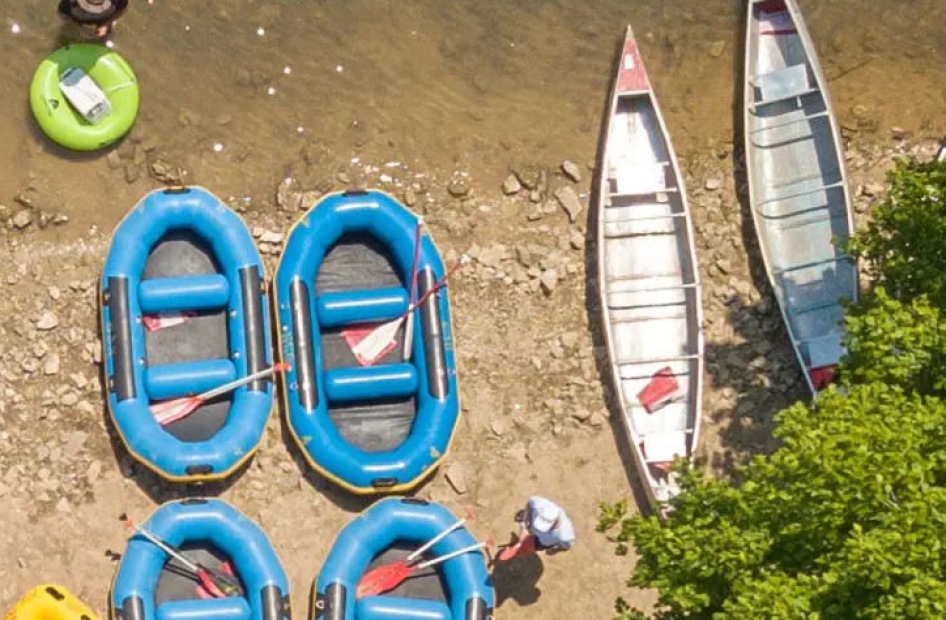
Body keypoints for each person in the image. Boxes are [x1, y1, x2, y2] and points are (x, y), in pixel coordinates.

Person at [497, 496, 575, 560]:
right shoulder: (540, 504)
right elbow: (530, 503)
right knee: (523, 532)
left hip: (542, 541)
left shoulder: (565, 535)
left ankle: (518, 548)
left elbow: (567, 546)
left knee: (523, 548)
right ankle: (519, 542)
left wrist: (555, 550)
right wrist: (526, 519)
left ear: (555, 523)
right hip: (531, 525)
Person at [58, 0, 129, 39]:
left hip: (104, 20)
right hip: (77, 20)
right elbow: (63, 15)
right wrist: (78, 28)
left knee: (106, 40)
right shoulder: (69, 2)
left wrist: (106, 24)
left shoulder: (118, 1)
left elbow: (121, 10)